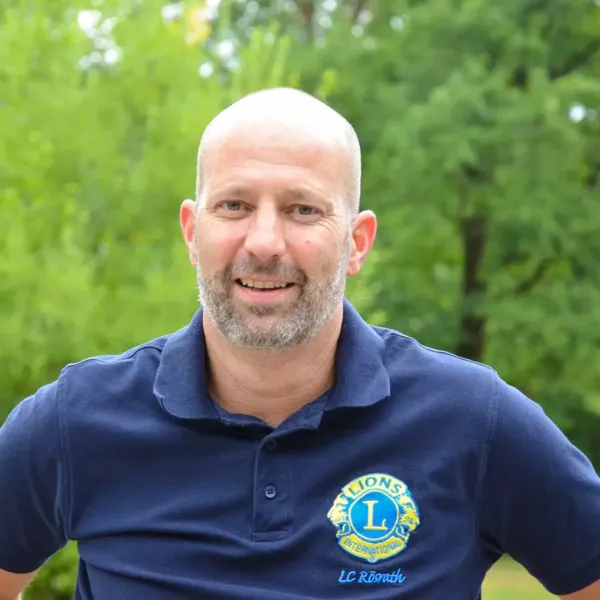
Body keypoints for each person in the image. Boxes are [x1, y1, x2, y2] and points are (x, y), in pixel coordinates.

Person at [1, 87, 599, 600]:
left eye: (302, 209)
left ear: (357, 242)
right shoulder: (78, 419)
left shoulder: (471, 420)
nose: (264, 241)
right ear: (191, 232)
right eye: (234, 205)